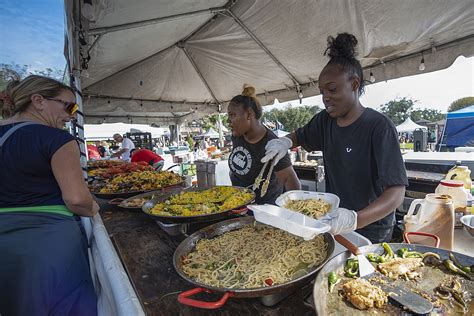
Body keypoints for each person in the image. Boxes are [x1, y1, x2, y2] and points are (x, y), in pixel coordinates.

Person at [262, 33, 407, 243]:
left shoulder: (378, 126)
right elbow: (298, 136)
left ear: (355, 84)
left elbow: (396, 193)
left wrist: (355, 219)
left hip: (371, 228)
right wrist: (283, 142)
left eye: (332, 89)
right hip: (331, 221)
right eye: (322, 92)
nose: (325, 97)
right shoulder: (325, 121)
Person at [0, 74, 99, 315]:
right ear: (38, 101)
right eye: (69, 106)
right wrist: (96, 208)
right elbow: (77, 199)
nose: (72, 115)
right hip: (49, 243)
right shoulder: (58, 139)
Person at [228, 84, 301, 204]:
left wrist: (295, 211)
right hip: (239, 205)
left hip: (265, 212)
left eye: (232, 115)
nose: (228, 121)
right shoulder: (237, 135)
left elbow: (290, 180)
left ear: (249, 115)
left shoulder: (272, 144)